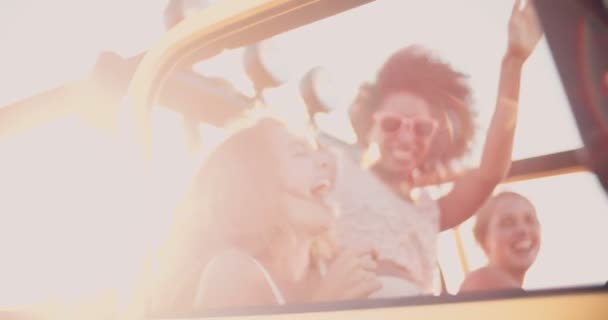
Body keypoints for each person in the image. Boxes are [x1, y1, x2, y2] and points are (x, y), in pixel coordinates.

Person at [326, 0, 543, 298]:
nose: (406, 136)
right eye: (392, 123)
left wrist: (513, 63)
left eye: (421, 128)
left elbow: (490, 173)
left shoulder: (430, 211)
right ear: (369, 125)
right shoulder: (336, 170)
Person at [148, 117, 381, 313]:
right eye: (300, 153)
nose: (325, 161)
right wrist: (328, 303)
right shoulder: (231, 273)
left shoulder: (328, 269)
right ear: (254, 185)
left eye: (317, 153)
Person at [459, 191, 541, 292]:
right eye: (507, 222)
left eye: (529, 220)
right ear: (483, 239)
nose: (523, 230)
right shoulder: (483, 282)